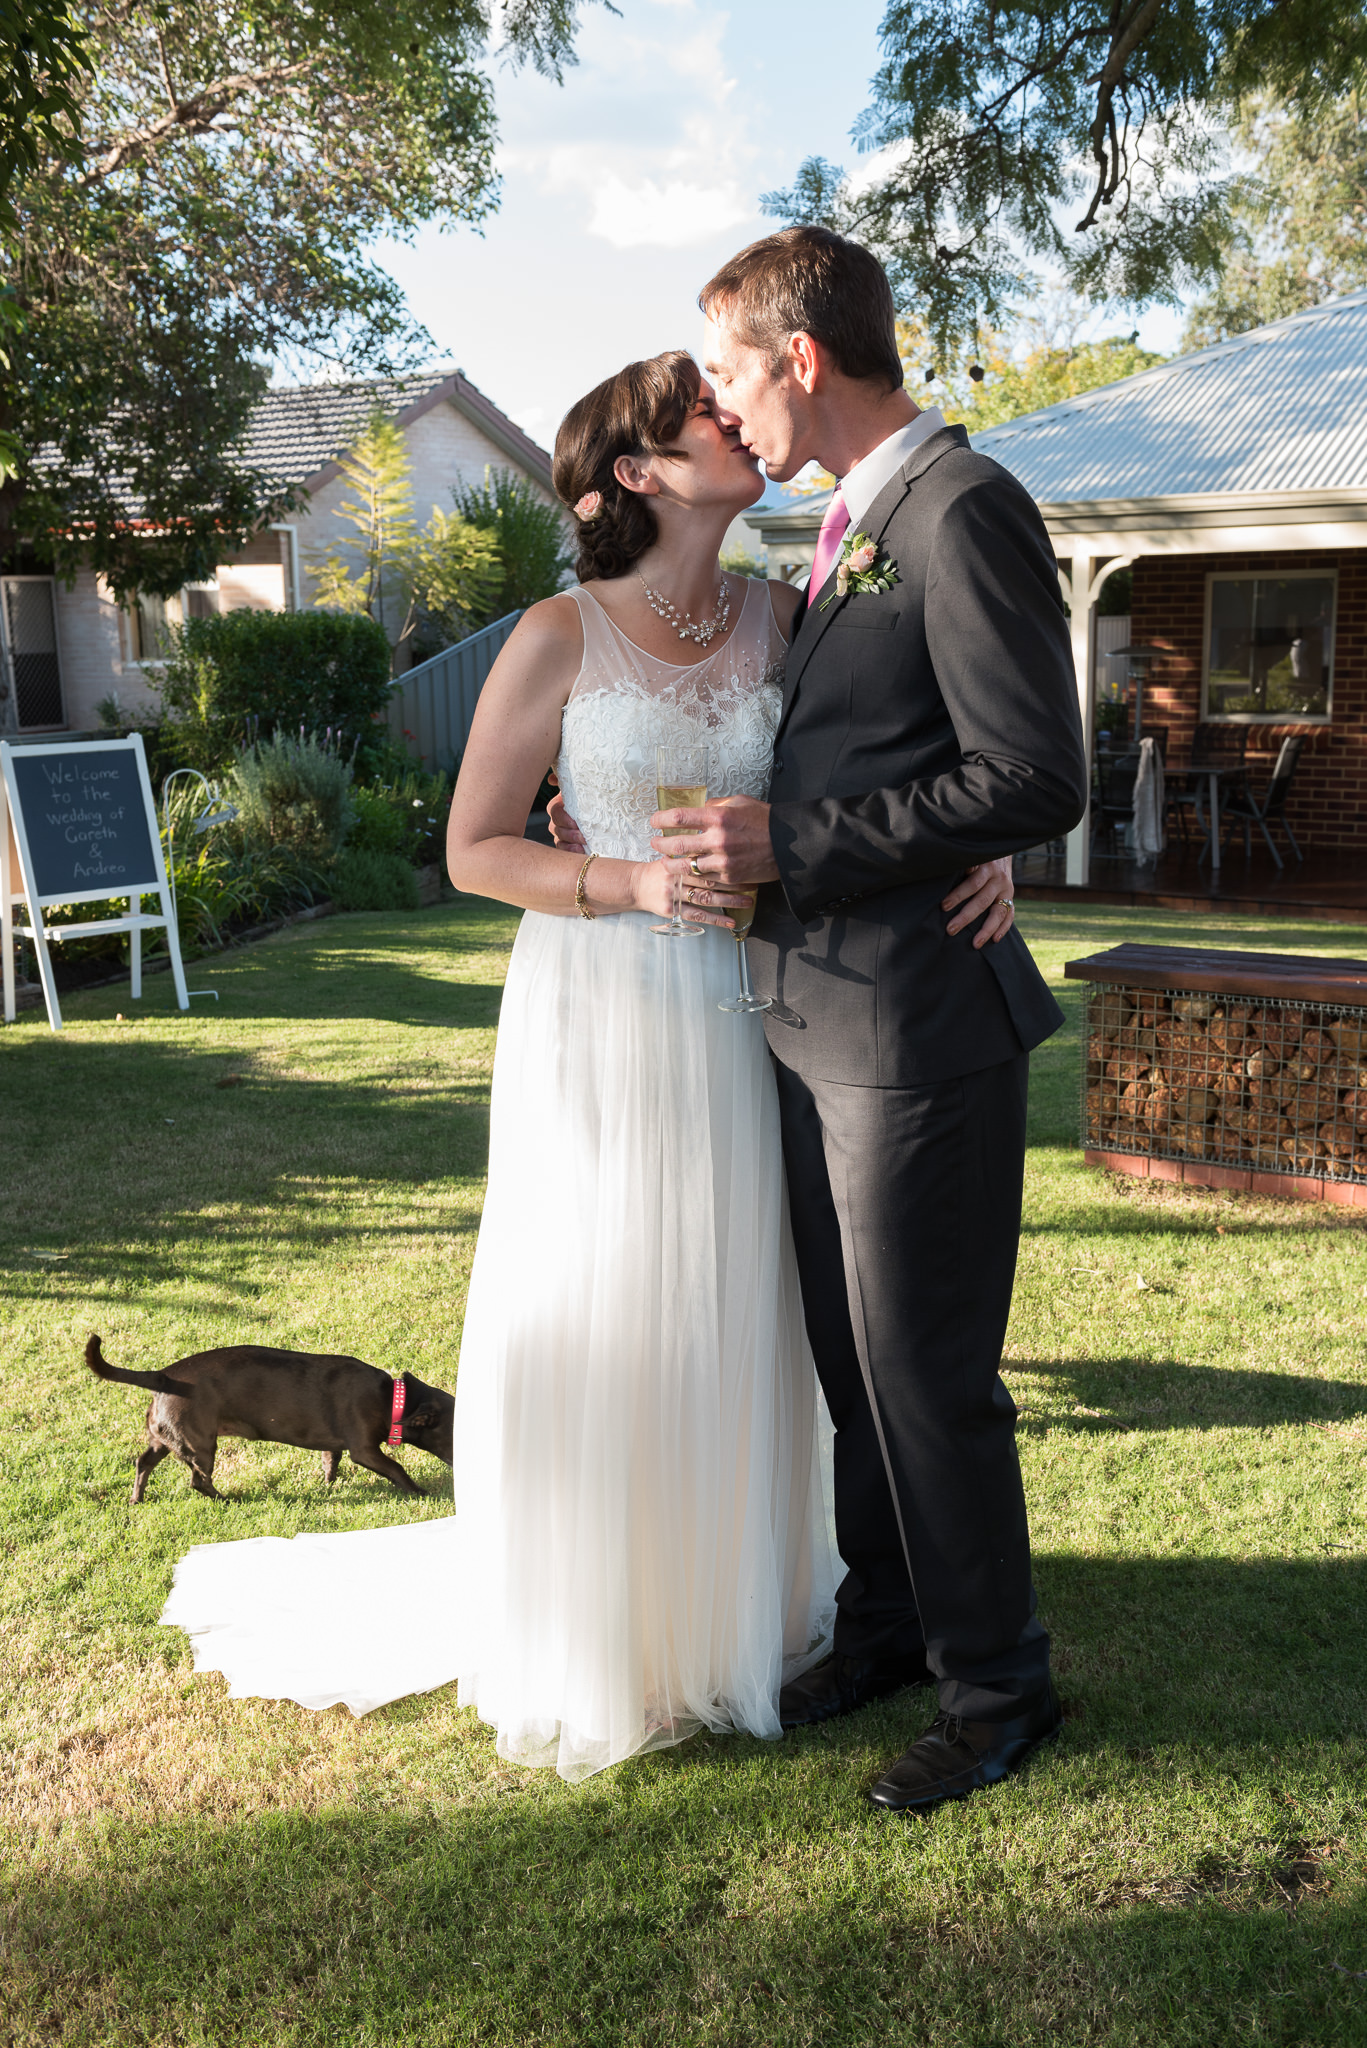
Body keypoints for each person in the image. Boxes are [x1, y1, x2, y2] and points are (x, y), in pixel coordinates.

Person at [160, 350, 842, 1783]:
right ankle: (606, 1625)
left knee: (733, 1284)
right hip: (603, 1001)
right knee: (609, 1288)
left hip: (749, 998)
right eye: (699, 413)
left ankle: (729, 1608)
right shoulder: (556, 634)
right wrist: (632, 893)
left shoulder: (789, 620)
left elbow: (881, 790)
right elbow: (474, 849)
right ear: (636, 476)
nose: (735, 416)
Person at [589, 227, 1089, 1814]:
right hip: (810, 1024)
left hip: (917, 1033)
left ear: (803, 358)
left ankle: (999, 1690)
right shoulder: (841, 534)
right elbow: (929, 761)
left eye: (734, 373)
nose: (727, 410)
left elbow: (1034, 773)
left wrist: (789, 849)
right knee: (848, 1364)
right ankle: (885, 1622)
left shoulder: (963, 510)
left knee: (928, 1373)